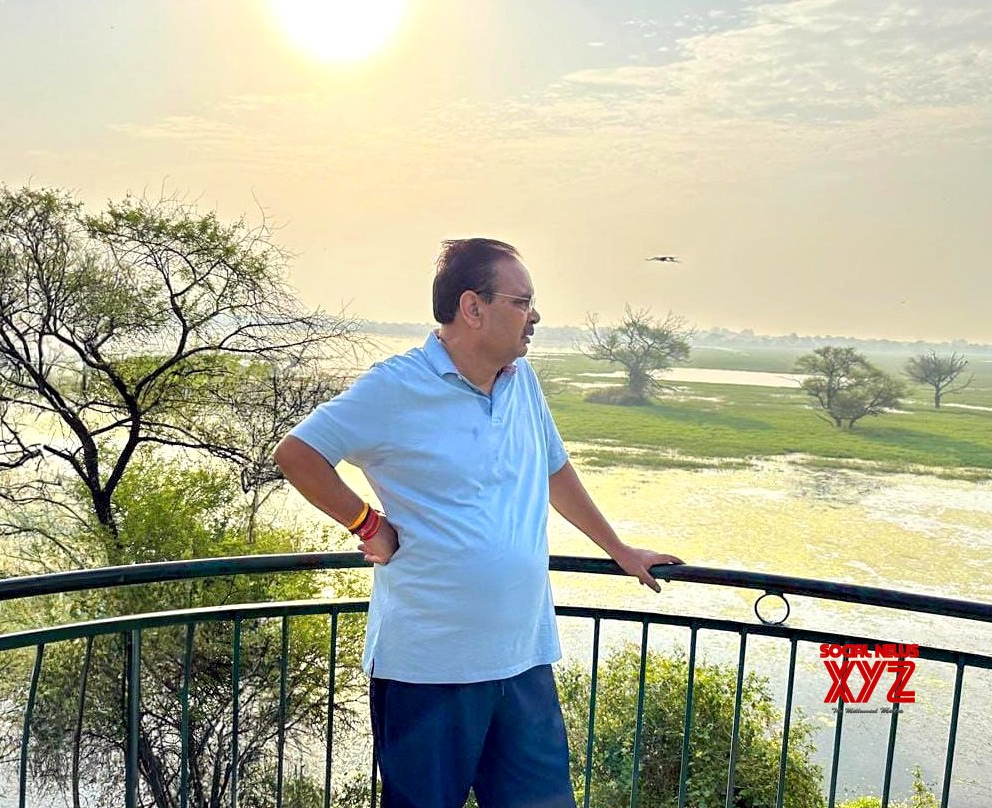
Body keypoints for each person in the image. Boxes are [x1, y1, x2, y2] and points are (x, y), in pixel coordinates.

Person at [272, 238, 684, 808]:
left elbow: (554, 472)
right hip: (430, 668)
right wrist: (368, 525)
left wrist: (619, 548)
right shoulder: (395, 387)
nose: (535, 316)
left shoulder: (522, 382)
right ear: (473, 307)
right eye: (522, 302)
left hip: (523, 659)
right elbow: (298, 454)